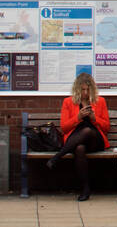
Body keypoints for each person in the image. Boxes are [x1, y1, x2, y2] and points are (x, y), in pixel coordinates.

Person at [47, 72, 111, 201]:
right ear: (77, 89)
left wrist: (94, 118)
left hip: (95, 140)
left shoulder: (100, 101)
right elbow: (64, 128)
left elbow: (106, 128)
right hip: (75, 140)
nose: (86, 93)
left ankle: (57, 157)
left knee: (87, 130)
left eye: (88, 90)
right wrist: (78, 117)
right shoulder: (68, 102)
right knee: (79, 149)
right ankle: (85, 189)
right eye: (82, 90)